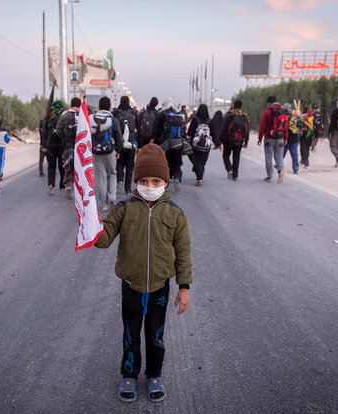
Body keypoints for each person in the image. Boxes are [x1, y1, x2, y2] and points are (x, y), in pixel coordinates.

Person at [94, 144, 192, 403]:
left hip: (160, 286)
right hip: (131, 286)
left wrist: (184, 287)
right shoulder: (124, 208)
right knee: (131, 334)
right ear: (136, 180)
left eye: (156, 180)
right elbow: (103, 240)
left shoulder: (175, 213)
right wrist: (90, 226)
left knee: (156, 336)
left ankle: (154, 374)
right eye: (144, 180)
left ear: (165, 182)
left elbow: (183, 253)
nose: (150, 185)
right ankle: (129, 373)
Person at [91, 96, 122, 212]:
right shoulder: (113, 120)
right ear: (109, 107)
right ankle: (112, 197)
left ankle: (103, 205)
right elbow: (118, 136)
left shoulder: (92, 119)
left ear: (99, 106)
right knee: (112, 174)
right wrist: (118, 151)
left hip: (96, 152)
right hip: (110, 151)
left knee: (101, 177)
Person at [154, 98, 185, 192]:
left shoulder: (162, 114)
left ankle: (165, 184)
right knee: (177, 163)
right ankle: (177, 178)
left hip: (166, 143)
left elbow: (157, 129)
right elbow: (183, 130)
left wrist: (156, 141)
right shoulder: (179, 115)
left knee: (165, 163)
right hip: (178, 143)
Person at [54, 97, 81, 200]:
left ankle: (69, 186)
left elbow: (58, 132)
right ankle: (82, 191)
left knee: (69, 169)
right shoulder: (85, 115)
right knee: (82, 170)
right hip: (82, 149)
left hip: (69, 146)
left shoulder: (65, 116)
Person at [186, 104, 221, 185]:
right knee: (202, 162)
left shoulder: (195, 120)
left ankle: (199, 176)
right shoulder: (210, 121)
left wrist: (188, 142)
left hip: (195, 145)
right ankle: (200, 176)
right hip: (206, 145)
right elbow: (214, 134)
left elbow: (190, 132)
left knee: (195, 159)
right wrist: (218, 143)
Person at [113, 96, 139, 195]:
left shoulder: (116, 113)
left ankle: (120, 180)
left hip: (119, 143)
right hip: (131, 143)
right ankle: (128, 189)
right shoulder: (134, 113)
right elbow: (138, 129)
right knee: (129, 166)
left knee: (119, 164)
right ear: (128, 102)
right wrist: (139, 145)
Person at [258, 96, 288, 184]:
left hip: (269, 138)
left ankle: (270, 177)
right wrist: (286, 138)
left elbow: (262, 126)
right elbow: (286, 126)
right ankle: (281, 170)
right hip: (280, 138)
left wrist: (260, 138)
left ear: (269, 103)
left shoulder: (267, 111)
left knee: (268, 157)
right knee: (279, 156)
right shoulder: (283, 111)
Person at [219, 100, 250, 181]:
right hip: (239, 140)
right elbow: (247, 130)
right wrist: (246, 141)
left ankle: (229, 169)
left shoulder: (229, 115)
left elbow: (223, 128)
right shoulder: (244, 116)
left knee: (226, 156)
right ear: (241, 106)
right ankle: (235, 174)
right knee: (236, 157)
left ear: (234, 105)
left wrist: (220, 138)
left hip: (228, 140)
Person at [41, 100, 66, 195]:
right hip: (61, 146)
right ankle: (62, 185)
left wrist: (43, 145)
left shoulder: (47, 119)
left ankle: (51, 185)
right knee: (61, 166)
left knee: (51, 167)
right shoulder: (63, 118)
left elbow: (43, 133)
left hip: (50, 146)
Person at [283, 103, 301, 174]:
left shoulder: (285, 115)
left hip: (287, 137)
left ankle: (279, 164)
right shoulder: (297, 115)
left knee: (283, 152)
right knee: (294, 153)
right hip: (296, 137)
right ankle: (296, 168)